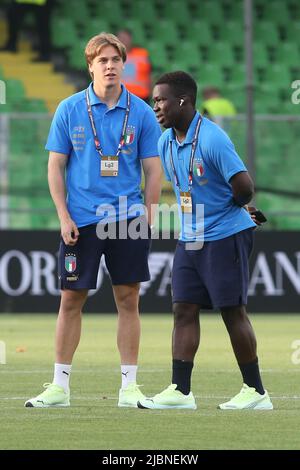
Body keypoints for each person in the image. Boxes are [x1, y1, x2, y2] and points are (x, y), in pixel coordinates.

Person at [24, 32, 162, 408]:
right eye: (103, 60)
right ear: (90, 66)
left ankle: (129, 386)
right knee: (71, 299)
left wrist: (148, 215)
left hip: (127, 218)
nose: (111, 66)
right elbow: (55, 165)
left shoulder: (142, 112)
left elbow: (153, 169)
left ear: (124, 64)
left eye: (116, 60)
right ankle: (59, 387)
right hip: (81, 220)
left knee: (128, 299)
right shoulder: (69, 109)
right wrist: (63, 215)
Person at [137, 71, 273, 411]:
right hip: (190, 237)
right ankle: (180, 392)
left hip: (225, 235)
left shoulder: (213, 138)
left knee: (232, 312)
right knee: (183, 309)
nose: (156, 106)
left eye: (161, 100)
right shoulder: (165, 142)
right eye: (154, 100)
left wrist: (239, 209)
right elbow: (193, 189)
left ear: (183, 101)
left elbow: (243, 187)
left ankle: (256, 392)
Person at [116, 29, 151, 103]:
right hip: (121, 97)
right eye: (120, 38)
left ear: (131, 39)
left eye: (125, 38)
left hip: (142, 96)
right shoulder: (112, 56)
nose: (123, 40)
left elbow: (149, 73)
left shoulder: (142, 53)